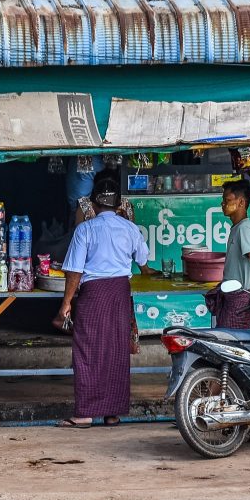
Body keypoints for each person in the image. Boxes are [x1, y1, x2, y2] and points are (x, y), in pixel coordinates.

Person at [55, 173, 155, 428]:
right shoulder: (130, 229)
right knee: (116, 351)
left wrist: (66, 303)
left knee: (88, 350)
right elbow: (144, 262)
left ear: (94, 204)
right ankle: (113, 413)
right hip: (120, 293)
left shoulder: (85, 230)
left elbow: (75, 271)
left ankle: (85, 414)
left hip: (94, 294)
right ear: (119, 204)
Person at [209, 179, 250, 329]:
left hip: (239, 300)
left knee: (230, 341)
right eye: (223, 200)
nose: (222, 204)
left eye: (227, 200)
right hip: (234, 296)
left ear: (241, 203)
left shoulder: (244, 228)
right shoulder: (237, 228)